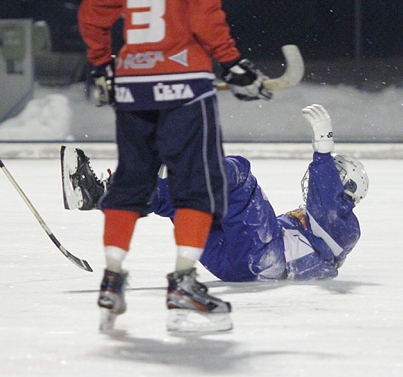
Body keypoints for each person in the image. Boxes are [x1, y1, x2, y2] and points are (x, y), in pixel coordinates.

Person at [77, 0, 272, 333]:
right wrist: (233, 63)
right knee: (197, 186)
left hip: (134, 84)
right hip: (185, 84)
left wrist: (103, 64)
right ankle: (184, 284)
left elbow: (92, 13)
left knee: (130, 181)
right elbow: (205, 16)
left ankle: (112, 281)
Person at [62, 104, 368, 282]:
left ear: (347, 189)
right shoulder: (321, 234)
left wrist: (324, 149)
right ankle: (100, 195)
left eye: (336, 174)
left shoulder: (345, 227)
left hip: (267, 257)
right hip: (238, 265)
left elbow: (326, 201)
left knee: (240, 174)